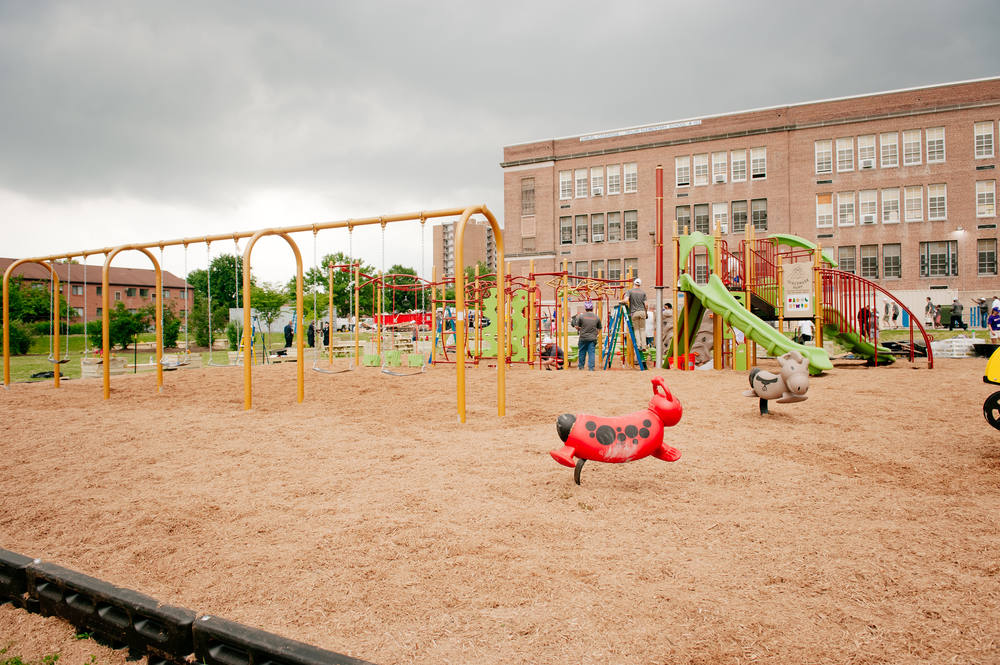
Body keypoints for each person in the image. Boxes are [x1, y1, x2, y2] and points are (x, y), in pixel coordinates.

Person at [572, 301, 601, 371]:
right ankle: (591, 368)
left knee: (582, 352)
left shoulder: (581, 316)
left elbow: (577, 326)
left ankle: (581, 367)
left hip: (583, 337)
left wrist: (578, 327)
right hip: (592, 338)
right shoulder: (596, 317)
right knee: (591, 353)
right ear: (592, 308)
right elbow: (599, 328)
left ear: (585, 308)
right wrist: (596, 334)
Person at [623, 278, 647, 350]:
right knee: (642, 329)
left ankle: (639, 345)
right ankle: (644, 346)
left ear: (634, 283)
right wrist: (646, 312)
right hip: (642, 312)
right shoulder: (643, 292)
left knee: (636, 330)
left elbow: (626, 300)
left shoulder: (630, 291)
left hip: (634, 312)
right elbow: (646, 304)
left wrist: (622, 301)